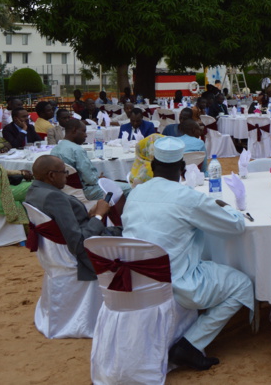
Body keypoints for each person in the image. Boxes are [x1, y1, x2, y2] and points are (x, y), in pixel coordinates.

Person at [122, 137, 254, 371]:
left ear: (152, 167)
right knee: (242, 285)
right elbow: (235, 227)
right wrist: (227, 208)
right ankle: (190, 345)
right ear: (183, 170)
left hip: (137, 277)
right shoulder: (188, 198)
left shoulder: (136, 193)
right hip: (176, 283)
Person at [25, 155, 121, 280]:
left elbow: (62, 223)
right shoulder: (54, 197)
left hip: (56, 254)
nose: (67, 175)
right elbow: (78, 243)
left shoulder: (33, 192)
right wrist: (99, 216)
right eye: (65, 171)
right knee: (129, 233)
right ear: (51, 175)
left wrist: (89, 215)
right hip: (84, 256)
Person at [51, 119, 131, 200]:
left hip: (65, 190)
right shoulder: (77, 150)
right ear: (74, 130)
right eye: (83, 131)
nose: (86, 135)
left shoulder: (55, 149)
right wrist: (99, 178)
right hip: (87, 192)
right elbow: (90, 180)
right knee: (130, 188)